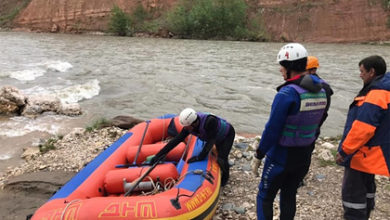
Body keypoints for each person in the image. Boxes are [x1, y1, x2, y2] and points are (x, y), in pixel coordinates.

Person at [252, 43, 328, 220]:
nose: (280, 70)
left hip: (281, 155)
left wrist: (259, 154)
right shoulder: (322, 91)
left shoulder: (287, 94)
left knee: (265, 195)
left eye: (282, 66)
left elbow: (272, 129)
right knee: (289, 193)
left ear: (290, 67)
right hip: (304, 156)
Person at [336, 55, 390, 220]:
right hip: (374, 155)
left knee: (353, 199)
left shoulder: (376, 94)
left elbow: (363, 128)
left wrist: (344, 151)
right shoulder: (385, 89)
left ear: (372, 72)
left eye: (362, 71)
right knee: (367, 192)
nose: (360, 75)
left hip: (361, 155)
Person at [150, 108, 235, 186]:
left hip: (227, 134)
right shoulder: (189, 126)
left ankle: (225, 179)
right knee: (219, 152)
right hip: (214, 135)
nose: (186, 129)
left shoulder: (210, 122)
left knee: (221, 158)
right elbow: (175, 141)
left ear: (194, 123)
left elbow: (210, 142)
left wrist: (199, 157)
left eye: (187, 127)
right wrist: (158, 155)